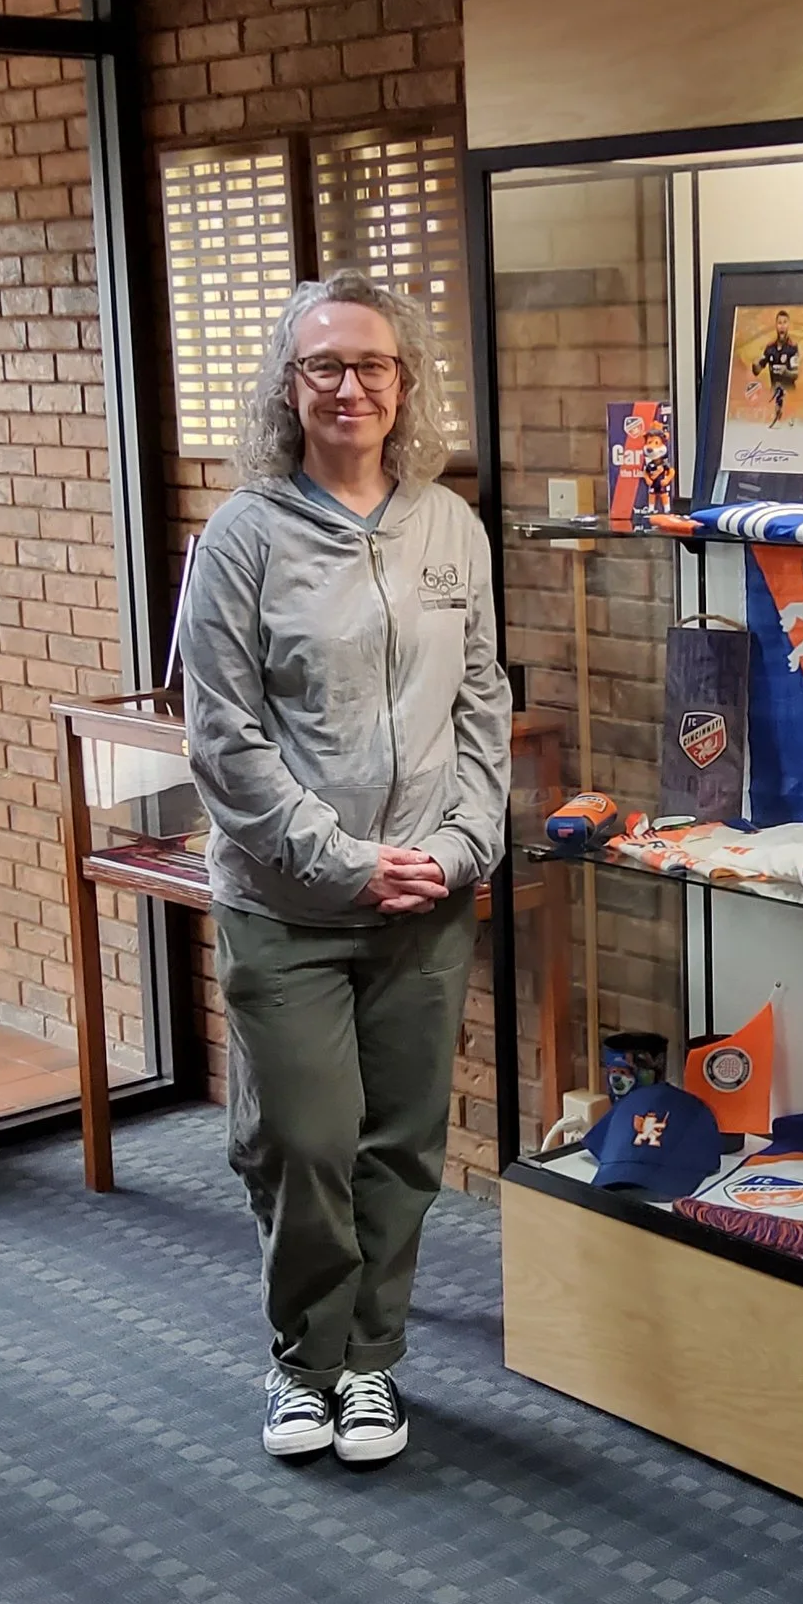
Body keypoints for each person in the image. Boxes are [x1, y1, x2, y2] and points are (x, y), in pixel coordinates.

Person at [180, 267, 509, 1469]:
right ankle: (302, 1362)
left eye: (371, 365)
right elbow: (221, 734)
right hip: (289, 901)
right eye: (323, 365)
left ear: (403, 384)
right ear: (289, 387)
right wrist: (340, 861)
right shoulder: (242, 538)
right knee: (304, 1140)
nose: (349, 386)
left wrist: (464, 844)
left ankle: (369, 1365)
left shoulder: (448, 528)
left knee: (402, 1143)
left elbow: (483, 703)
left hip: (427, 894)